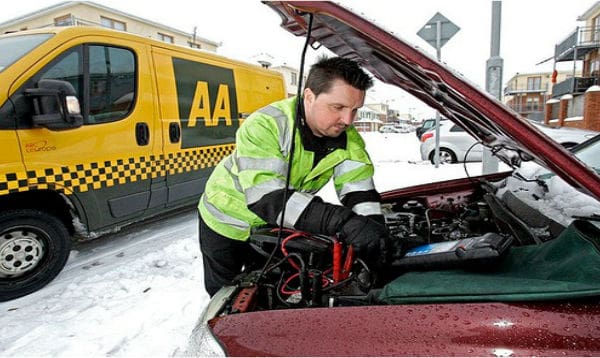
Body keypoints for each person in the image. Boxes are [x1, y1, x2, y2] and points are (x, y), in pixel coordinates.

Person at [198, 56, 388, 296]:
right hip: (225, 221)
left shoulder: (349, 140)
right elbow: (268, 198)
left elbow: (359, 191)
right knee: (227, 298)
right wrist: (344, 223)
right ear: (309, 96)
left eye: (355, 110)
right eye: (337, 107)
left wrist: (375, 234)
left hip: (274, 225)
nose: (347, 120)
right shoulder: (267, 125)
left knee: (272, 290)